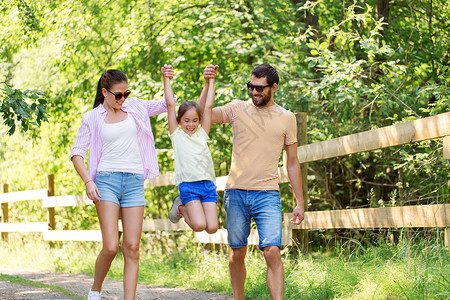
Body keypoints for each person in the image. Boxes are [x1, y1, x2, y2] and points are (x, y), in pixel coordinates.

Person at [199, 64, 305, 300]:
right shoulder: (237, 108)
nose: (254, 92)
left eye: (260, 88)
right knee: (237, 253)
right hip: (235, 193)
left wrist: (300, 201)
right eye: (251, 87)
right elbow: (201, 113)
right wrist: (208, 84)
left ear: (273, 87)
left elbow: (293, 162)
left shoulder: (287, 118)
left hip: (267, 194)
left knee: (272, 252)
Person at [70, 69, 174, 300]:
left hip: (134, 181)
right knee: (110, 246)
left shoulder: (135, 106)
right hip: (106, 181)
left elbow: (168, 104)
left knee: (132, 247)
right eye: (118, 95)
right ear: (104, 92)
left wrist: (166, 79)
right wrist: (88, 180)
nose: (123, 98)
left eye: (126, 93)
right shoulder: (91, 118)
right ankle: (95, 290)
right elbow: (77, 153)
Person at [162, 64, 219, 234]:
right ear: (179, 121)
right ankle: (181, 207)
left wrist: (211, 81)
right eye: (186, 120)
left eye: (195, 120)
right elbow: (171, 105)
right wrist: (166, 79)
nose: (191, 124)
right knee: (199, 226)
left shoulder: (202, 134)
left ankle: (184, 206)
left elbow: (208, 107)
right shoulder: (177, 136)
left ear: (199, 121)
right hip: (188, 186)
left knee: (212, 228)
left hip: (208, 185)